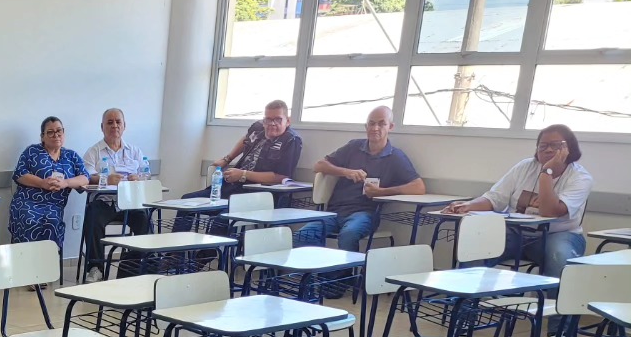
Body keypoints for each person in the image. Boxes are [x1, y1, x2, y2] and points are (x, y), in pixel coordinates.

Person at [446, 124, 593, 278]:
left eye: (556, 145)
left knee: (560, 256)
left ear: (569, 149)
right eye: (543, 146)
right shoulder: (524, 167)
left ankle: (552, 295)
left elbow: (549, 212)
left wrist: (546, 172)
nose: (548, 150)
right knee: (476, 247)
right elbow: (495, 198)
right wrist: (468, 205)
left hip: (558, 235)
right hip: (515, 232)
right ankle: (464, 292)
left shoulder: (580, 178)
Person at [300, 107, 425, 251]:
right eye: (371, 123)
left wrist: (381, 192)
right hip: (334, 212)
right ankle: (317, 264)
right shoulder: (354, 147)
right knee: (303, 235)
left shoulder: (395, 156)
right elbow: (319, 165)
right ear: (366, 127)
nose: (375, 128)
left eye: (381, 124)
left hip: (365, 214)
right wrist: (346, 172)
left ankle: (347, 267)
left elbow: (419, 187)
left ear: (390, 127)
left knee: (348, 234)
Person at [173, 100, 303, 234]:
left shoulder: (291, 140)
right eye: (268, 120)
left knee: (223, 216)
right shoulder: (258, 127)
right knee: (186, 201)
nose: (272, 124)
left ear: (287, 121)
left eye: (278, 119)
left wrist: (243, 174)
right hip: (231, 186)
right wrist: (227, 159)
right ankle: (177, 246)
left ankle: (212, 248)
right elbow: (245, 140)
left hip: (256, 195)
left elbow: (281, 176)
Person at [81, 108, 150, 282]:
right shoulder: (93, 152)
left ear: (124, 126)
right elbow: (86, 176)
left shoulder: (134, 151)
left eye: (118, 122)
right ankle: (96, 268)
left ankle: (133, 266)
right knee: (92, 217)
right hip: (105, 202)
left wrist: (138, 178)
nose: (114, 126)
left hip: (130, 203)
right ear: (102, 127)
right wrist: (105, 179)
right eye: (110, 122)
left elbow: (146, 174)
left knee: (145, 219)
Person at [9, 116, 91, 249]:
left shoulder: (71, 156)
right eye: (50, 132)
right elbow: (19, 174)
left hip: (54, 206)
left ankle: (49, 261)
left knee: (52, 223)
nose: (56, 135)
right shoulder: (32, 151)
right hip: (28, 202)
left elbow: (85, 177)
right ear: (42, 136)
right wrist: (42, 183)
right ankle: (24, 260)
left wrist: (66, 183)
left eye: (59, 131)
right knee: (29, 220)